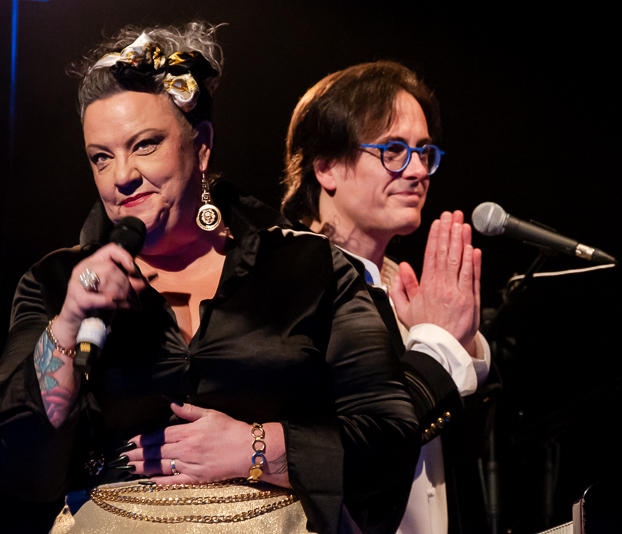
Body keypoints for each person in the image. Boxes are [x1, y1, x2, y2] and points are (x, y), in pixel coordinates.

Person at [0, 24, 418, 534]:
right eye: (101, 157)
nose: (121, 176)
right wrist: (67, 325)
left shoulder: (309, 268)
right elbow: (19, 463)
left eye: (145, 145)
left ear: (201, 147)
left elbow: (391, 439)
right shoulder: (55, 282)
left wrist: (257, 449)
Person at [281, 61, 501, 534]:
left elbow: (458, 459)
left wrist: (462, 341)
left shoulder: (401, 286)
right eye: (394, 150)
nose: (418, 170)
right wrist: (439, 343)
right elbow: (345, 451)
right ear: (327, 167)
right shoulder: (288, 285)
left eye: (424, 152)